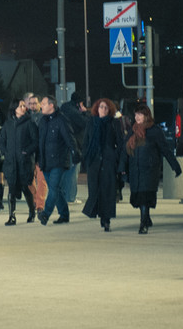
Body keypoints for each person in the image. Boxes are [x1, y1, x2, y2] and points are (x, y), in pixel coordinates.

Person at [121, 104, 182, 234]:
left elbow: (165, 149)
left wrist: (175, 166)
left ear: (146, 116)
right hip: (135, 169)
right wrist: (122, 168)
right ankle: (146, 217)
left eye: (140, 114)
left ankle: (143, 223)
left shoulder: (155, 131)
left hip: (149, 169)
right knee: (138, 197)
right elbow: (125, 151)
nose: (137, 117)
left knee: (144, 196)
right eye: (136, 114)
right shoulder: (132, 131)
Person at [82, 98, 124, 231]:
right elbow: (86, 141)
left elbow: (120, 142)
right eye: (101, 107)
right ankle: (97, 213)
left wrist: (115, 156)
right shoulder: (91, 122)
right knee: (94, 189)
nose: (104, 109)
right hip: (94, 161)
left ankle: (106, 219)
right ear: (97, 108)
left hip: (108, 161)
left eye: (106, 107)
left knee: (107, 190)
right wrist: (86, 157)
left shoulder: (114, 123)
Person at [37, 95, 75, 225]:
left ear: (51, 105)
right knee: (56, 189)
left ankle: (45, 214)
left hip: (58, 161)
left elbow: (69, 138)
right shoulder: (42, 121)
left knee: (52, 188)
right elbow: (39, 141)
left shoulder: (61, 120)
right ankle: (64, 214)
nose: (41, 105)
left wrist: (75, 153)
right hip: (45, 161)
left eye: (43, 103)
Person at [0, 98, 38, 225]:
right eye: (21, 106)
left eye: (23, 106)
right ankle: (12, 216)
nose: (24, 108)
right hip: (11, 162)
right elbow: (2, 141)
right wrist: (6, 152)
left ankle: (32, 211)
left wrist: (26, 152)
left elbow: (35, 141)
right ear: (14, 108)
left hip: (24, 162)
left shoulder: (29, 123)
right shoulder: (8, 124)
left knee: (25, 187)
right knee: (11, 189)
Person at [60, 92, 88, 205]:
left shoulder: (64, 108)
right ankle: (70, 197)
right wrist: (85, 112)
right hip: (74, 145)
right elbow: (86, 123)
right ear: (79, 103)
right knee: (73, 172)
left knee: (64, 171)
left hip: (63, 145)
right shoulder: (75, 113)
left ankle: (63, 196)